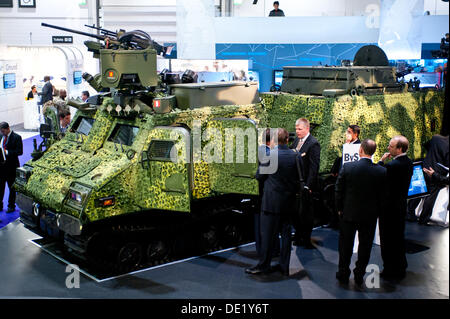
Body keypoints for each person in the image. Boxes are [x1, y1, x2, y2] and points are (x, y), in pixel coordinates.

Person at [246, 128, 303, 276]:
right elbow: (300, 177)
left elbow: (259, 177)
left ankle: (264, 266)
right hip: (289, 203)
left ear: (275, 141)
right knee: (285, 235)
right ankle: (284, 267)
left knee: (267, 236)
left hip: (271, 204)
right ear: (287, 140)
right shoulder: (296, 156)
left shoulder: (270, 155)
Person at [335, 139, 386, 286]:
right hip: (369, 216)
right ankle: (359, 274)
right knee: (365, 246)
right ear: (374, 152)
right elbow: (383, 196)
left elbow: (338, 190)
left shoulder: (348, 167)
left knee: (345, 245)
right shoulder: (381, 171)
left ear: (360, 150)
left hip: (348, 213)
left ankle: (343, 273)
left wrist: (339, 208)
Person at [377, 136, 413, 281]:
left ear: (399, 149)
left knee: (387, 240)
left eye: (391, 146)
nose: (388, 148)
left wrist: (380, 161)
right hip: (400, 206)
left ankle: (389, 270)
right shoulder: (409, 162)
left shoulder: (392, 166)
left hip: (388, 209)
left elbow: (379, 177)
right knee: (398, 238)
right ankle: (400, 266)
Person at [290, 118, 321, 248]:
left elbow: (314, 167)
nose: (297, 131)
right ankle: (298, 235)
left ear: (307, 129)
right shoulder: (296, 141)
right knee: (296, 212)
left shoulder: (313, 144)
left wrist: (308, 185)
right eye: (296, 129)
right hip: (295, 183)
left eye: (300, 129)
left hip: (305, 185)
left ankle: (306, 239)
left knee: (306, 214)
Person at [325, 125, 362, 229]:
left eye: (349, 132)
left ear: (356, 134)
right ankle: (334, 221)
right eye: (347, 131)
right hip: (341, 176)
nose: (347, 134)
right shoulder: (347, 145)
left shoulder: (359, 146)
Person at [0, 122, 23, 213]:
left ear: (8, 128)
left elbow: (19, 152)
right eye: (1, 131)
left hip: (12, 167)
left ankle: (11, 205)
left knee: (12, 187)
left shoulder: (17, 137)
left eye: (3, 131)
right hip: (1, 167)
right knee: (0, 188)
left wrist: (7, 152)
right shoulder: (1, 136)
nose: (2, 133)